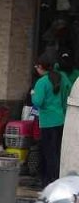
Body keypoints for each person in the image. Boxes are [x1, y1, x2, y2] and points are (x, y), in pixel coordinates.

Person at [33, 54, 69, 187]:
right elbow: (68, 94)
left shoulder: (41, 82)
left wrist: (33, 94)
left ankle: (48, 182)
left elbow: (38, 102)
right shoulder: (63, 77)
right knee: (57, 151)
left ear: (41, 67)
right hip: (61, 119)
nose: (36, 68)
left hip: (47, 121)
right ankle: (57, 178)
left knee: (47, 152)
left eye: (36, 66)